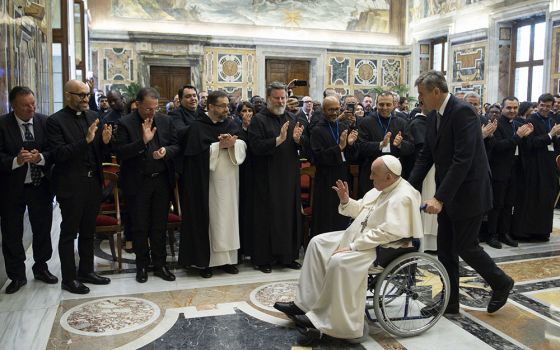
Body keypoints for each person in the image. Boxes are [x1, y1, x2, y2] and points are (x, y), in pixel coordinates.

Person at [274, 155, 423, 340]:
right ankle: (305, 304)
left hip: (382, 248)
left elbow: (389, 233)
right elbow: (361, 210)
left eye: (373, 174)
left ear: (389, 177)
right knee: (317, 243)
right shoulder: (381, 188)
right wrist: (346, 200)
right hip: (361, 238)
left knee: (339, 261)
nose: (370, 177)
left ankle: (333, 323)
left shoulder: (403, 196)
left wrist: (353, 246)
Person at [408, 70, 514, 315]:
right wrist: (406, 187)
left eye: (422, 94)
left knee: (466, 246)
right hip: (450, 193)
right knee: (445, 250)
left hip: (469, 192)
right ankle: (450, 302)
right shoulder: (435, 115)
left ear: (436, 91)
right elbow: (426, 156)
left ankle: (501, 282)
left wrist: (439, 197)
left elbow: (462, 159)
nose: (419, 99)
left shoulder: (462, 111)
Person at [46, 79, 112, 294]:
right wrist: (86, 140)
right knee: (68, 233)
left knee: (88, 231)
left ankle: (86, 271)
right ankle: (69, 278)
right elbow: (59, 155)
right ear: (68, 95)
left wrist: (104, 142)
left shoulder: (93, 116)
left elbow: (98, 153)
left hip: (93, 182)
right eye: (81, 95)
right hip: (71, 185)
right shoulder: (55, 121)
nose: (85, 99)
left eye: (87, 94)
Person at [114, 87, 180, 283]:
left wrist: (165, 151)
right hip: (138, 182)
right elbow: (121, 152)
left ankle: (160, 264)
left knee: (159, 224)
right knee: (140, 226)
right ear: (138, 104)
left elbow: (176, 145)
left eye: (155, 108)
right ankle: (141, 265)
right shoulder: (125, 123)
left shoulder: (166, 121)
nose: (152, 112)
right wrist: (143, 141)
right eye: (148, 109)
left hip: (160, 180)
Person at [179, 91, 246, 278]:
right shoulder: (197, 127)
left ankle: (228, 260)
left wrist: (234, 144)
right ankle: (205, 262)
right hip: (208, 183)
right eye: (222, 106)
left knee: (228, 219)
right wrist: (218, 146)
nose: (227, 109)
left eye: (227, 105)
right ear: (210, 106)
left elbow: (243, 143)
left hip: (230, 180)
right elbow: (194, 156)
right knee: (212, 219)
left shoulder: (232, 123)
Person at [0, 87, 56, 294]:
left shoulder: (44, 122)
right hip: (11, 189)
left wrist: (40, 158)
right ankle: (16, 275)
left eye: (33, 103)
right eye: (25, 105)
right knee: (12, 232)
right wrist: (16, 160)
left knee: (42, 229)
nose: (31, 108)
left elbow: (54, 151)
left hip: (39, 185)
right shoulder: (3, 125)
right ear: (13, 106)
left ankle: (41, 267)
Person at [248, 81, 304, 273]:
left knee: (288, 216)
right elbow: (255, 147)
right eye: (276, 98)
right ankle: (264, 259)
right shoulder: (258, 120)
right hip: (267, 177)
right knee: (267, 217)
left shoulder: (292, 118)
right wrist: (277, 140)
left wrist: (298, 141)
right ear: (268, 99)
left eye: (283, 98)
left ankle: (287, 257)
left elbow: (302, 146)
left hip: (288, 176)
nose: (280, 101)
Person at [512, 93, 560, 242]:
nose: (545, 108)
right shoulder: (530, 121)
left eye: (548, 106)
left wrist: (556, 138)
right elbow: (530, 143)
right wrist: (550, 135)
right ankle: (526, 233)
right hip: (533, 166)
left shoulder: (552, 121)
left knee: (546, 199)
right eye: (542, 105)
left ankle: (542, 231)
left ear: (552, 106)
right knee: (532, 199)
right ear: (537, 105)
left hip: (548, 166)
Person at [487, 97, 533, 249]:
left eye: (515, 108)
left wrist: (527, 136)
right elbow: (498, 147)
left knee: (509, 204)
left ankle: (504, 233)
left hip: (515, 170)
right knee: (497, 204)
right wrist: (518, 136)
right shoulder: (496, 125)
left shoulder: (519, 124)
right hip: (500, 170)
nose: (512, 111)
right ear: (502, 109)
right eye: (509, 108)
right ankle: (491, 235)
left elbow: (524, 146)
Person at [309, 96, 358, 236]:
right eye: (331, 110)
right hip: (325, 179)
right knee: (326, 214)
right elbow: (317, 158)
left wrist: (349, 145)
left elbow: (351, 156)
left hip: (342, 175)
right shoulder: (317, 130)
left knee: (342, 212)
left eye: (337, 109)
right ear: (324, 110)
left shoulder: (343, 127)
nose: (335, 113)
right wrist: (339, 147)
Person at [357, 91, 413, 196]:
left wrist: (401, 144)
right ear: (376, 104)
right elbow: (360, 147)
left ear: (394, 105)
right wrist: (380, 145)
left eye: (388, 104)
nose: (385, 107)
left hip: (395, 173)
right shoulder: (366, 122)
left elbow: (411, 147)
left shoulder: (402, 122)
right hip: (371, 172)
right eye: (381, 104)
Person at [236, 102, 256, 258]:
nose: (247, 113)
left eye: (250, 110)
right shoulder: (236, 129)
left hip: (256, 173)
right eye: (244, 111)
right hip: (241, 173)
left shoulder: (258, 129)